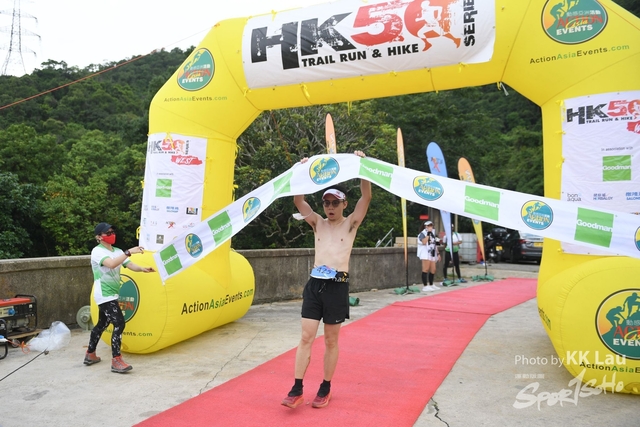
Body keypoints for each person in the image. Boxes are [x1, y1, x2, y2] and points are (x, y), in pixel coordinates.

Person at [282, 151, 371, 410]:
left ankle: (325, 386)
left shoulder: (351, 224)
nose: (330, 207)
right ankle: (297, 388)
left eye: (335, 203)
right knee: (306, 336)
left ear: (344, 204)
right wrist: (302, 170)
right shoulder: (317, 224)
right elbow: (298, 200)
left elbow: (366, 197)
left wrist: (362, 166)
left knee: (331, 340)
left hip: (337, 286)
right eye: (326, 203)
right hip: (315, 285)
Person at [83, 222, 155, 373]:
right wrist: (129, 252)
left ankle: (90, 354)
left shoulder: (117, 251)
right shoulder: (97, 251)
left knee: (102, 324)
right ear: (99, 237)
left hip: (112, 294)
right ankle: (116, 360)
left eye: (112, 232)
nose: (112, 235)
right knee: (119, 323)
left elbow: (129, 265)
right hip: (104, 294)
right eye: (108, 233)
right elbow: (111, 264)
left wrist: (142, 269)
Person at [417, 220, 440, 291]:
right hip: (425, 253)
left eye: (431, 225)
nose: (431, 227)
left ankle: (431, 284)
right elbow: (424, 242)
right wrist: (428, 233)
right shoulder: (422, 234)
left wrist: (438, 253)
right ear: (425, 226)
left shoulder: (433, 234)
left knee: (433, 269)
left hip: (432, 253)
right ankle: (425, 286)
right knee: (425, 269)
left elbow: (434, 244)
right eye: (429, 226)